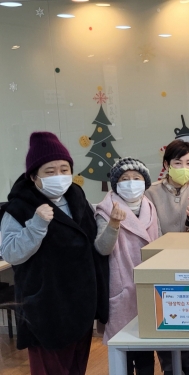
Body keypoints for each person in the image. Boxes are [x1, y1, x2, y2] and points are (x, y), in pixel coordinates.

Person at [0, 132, 109, 375]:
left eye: (64, 169)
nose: (59, 176)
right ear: (33, 176)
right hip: (45, 310)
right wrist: (36, 225)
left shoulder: (77, 197)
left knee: (76, 368)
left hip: (80, 305)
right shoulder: (18, 208)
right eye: (50, 171)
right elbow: (11, 253)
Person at [145, 140, 189, 375]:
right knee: (164, 314)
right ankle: (168, 366)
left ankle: (188, 363)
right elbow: (149, 228)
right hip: (161, 261)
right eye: (178, 162)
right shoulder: (151, 192)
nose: (184, 167)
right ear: (166, 164)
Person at [94, 158, 160, 375]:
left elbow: (157, 242)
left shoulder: (149, 206)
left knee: (145, 351)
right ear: (115, 184)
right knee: (124, 352)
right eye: (125, 179)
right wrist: (113, 224)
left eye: (137, 178)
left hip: (146, 287)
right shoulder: (105, 209)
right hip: (122, 289)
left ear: (145, 182)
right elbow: (102, 248)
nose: (131, 183)